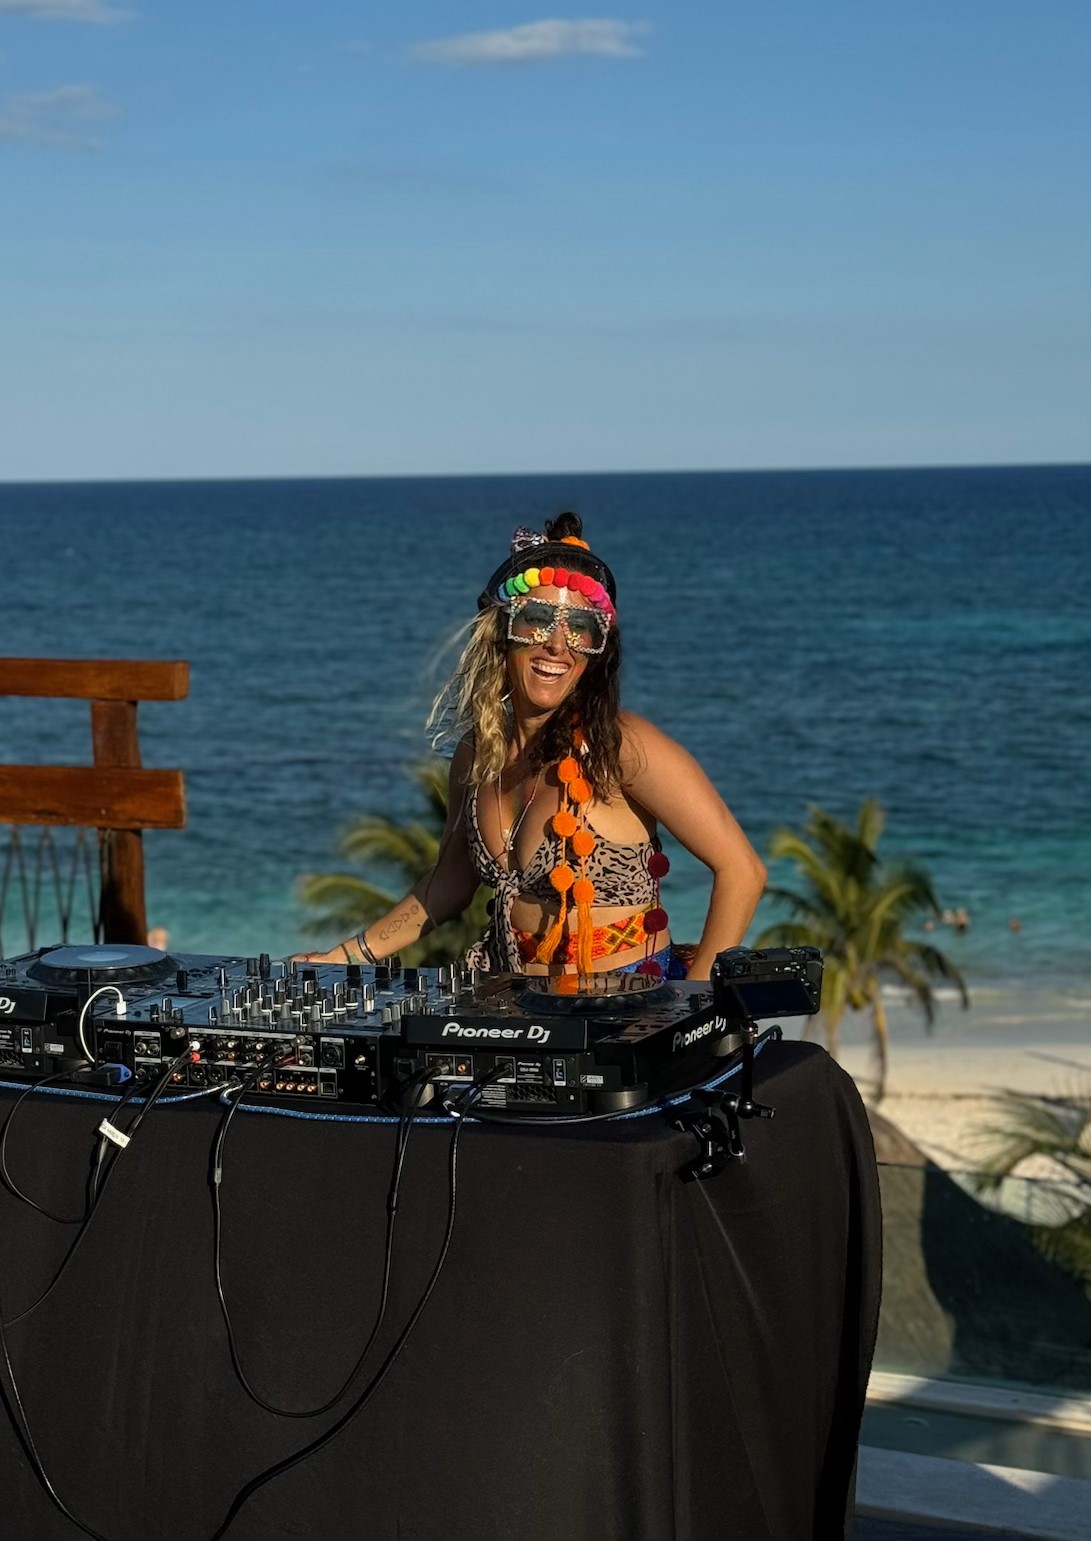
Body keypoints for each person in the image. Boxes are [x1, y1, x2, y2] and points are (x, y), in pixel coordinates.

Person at [298, 514, 766, 979]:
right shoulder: (476, 755)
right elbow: (449, 881)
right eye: (538, 621)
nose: (557, 646)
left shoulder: (619, 745)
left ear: (597, 651)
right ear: (501, 633)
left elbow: (741, 870)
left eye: (581, 629)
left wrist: (696, 1001)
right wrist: (346, 956)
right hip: (515, 1003)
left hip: (631, 1010)